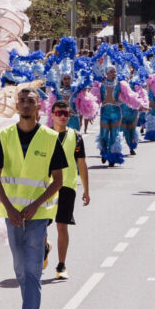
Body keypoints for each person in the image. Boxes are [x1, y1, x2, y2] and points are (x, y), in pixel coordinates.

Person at [0, 88, 67, 309]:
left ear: (38, 107)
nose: (25, 104)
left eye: (30, 101)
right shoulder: (4, 136)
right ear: (16, 106)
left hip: (38, 213)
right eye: (21, 101)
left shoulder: (49, 137)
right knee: (20, 269)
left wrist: (35, 205)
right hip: (11, 214)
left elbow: (58, 180)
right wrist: (10, 208)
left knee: (33, 268)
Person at [49, 100, 90, 280]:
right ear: (52, 115)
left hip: (67, 186)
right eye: (59, 113)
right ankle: (44, 247)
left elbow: (82, 163)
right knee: (42, 223)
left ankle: (61, 264)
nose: (63, 117)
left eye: (66, 113)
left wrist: (86, 190)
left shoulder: (76, 136)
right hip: (47, 186)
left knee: (62, 225)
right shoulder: (44, 135)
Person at [98, 67, 125, 167]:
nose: (114, 73)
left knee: (114, 135)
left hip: (116, 113)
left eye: (115, 71)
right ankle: (104, 153)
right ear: (107, 73)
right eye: (111, 72)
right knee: (104, 135)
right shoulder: (101, 85)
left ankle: (112, 157)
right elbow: (95, 98)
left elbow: (128, 96)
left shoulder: (120, 84)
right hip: (105, 112)